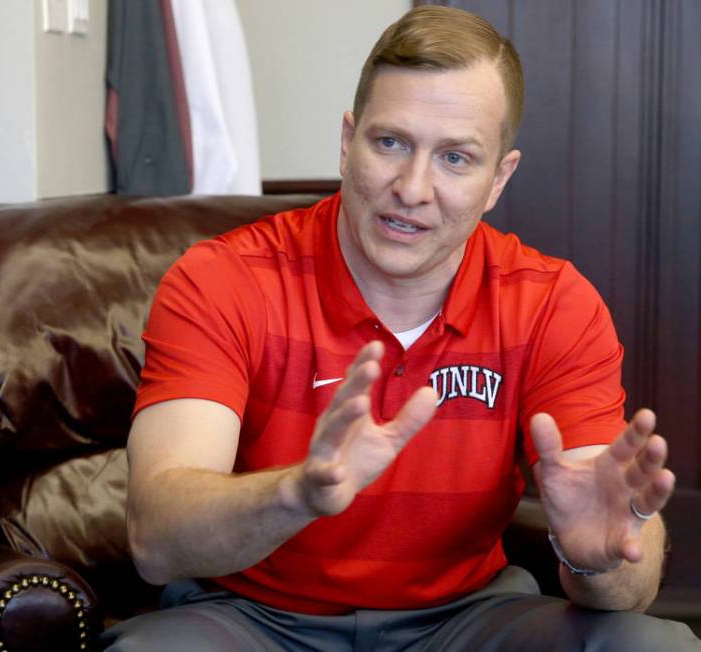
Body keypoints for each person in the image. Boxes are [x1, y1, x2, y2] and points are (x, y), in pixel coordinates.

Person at [101, 6, 700, 650]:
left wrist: (597, 558)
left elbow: (624, 583)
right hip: (250, 617)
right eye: (390, 143)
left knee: (651, 645)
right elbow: (154, 541)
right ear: (347, 141)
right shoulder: (222, 279)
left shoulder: (553, 303)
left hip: (463, 619)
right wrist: (296, 493)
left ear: (499, 178)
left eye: (456, 158)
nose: (413, 189)